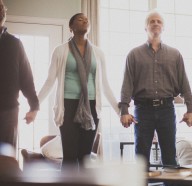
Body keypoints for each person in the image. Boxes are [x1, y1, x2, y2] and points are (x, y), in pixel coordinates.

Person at [38, 13, 119, 172]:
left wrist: (120, 111)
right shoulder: (60, 51)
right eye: (79, 19)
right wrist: (35, 106)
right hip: (67, 106)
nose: (84, 20)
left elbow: (105, 85)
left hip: (91, 107)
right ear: (71, 27)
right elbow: (49, 80)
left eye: (86, 19)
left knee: (85, 158)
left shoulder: (98, 53)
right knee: (69, 156)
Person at [119, 10, 192, 169]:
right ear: (145, 27)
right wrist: (124, 111)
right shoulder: (134, 55)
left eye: (159, 21)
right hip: (142, 110)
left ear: (163, 27)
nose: (155, 24)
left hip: (166, 109)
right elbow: (127, 84)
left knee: (169, 155)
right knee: (141, 157)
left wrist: (190, 109)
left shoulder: (175, 55)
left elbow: (184, 84)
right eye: (152, 21)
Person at [0, 0, 39, 149]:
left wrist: (34, 106)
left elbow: (26, 78)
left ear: (2, 16)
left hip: (8, 112)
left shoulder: (14, 44)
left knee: (6, 159)